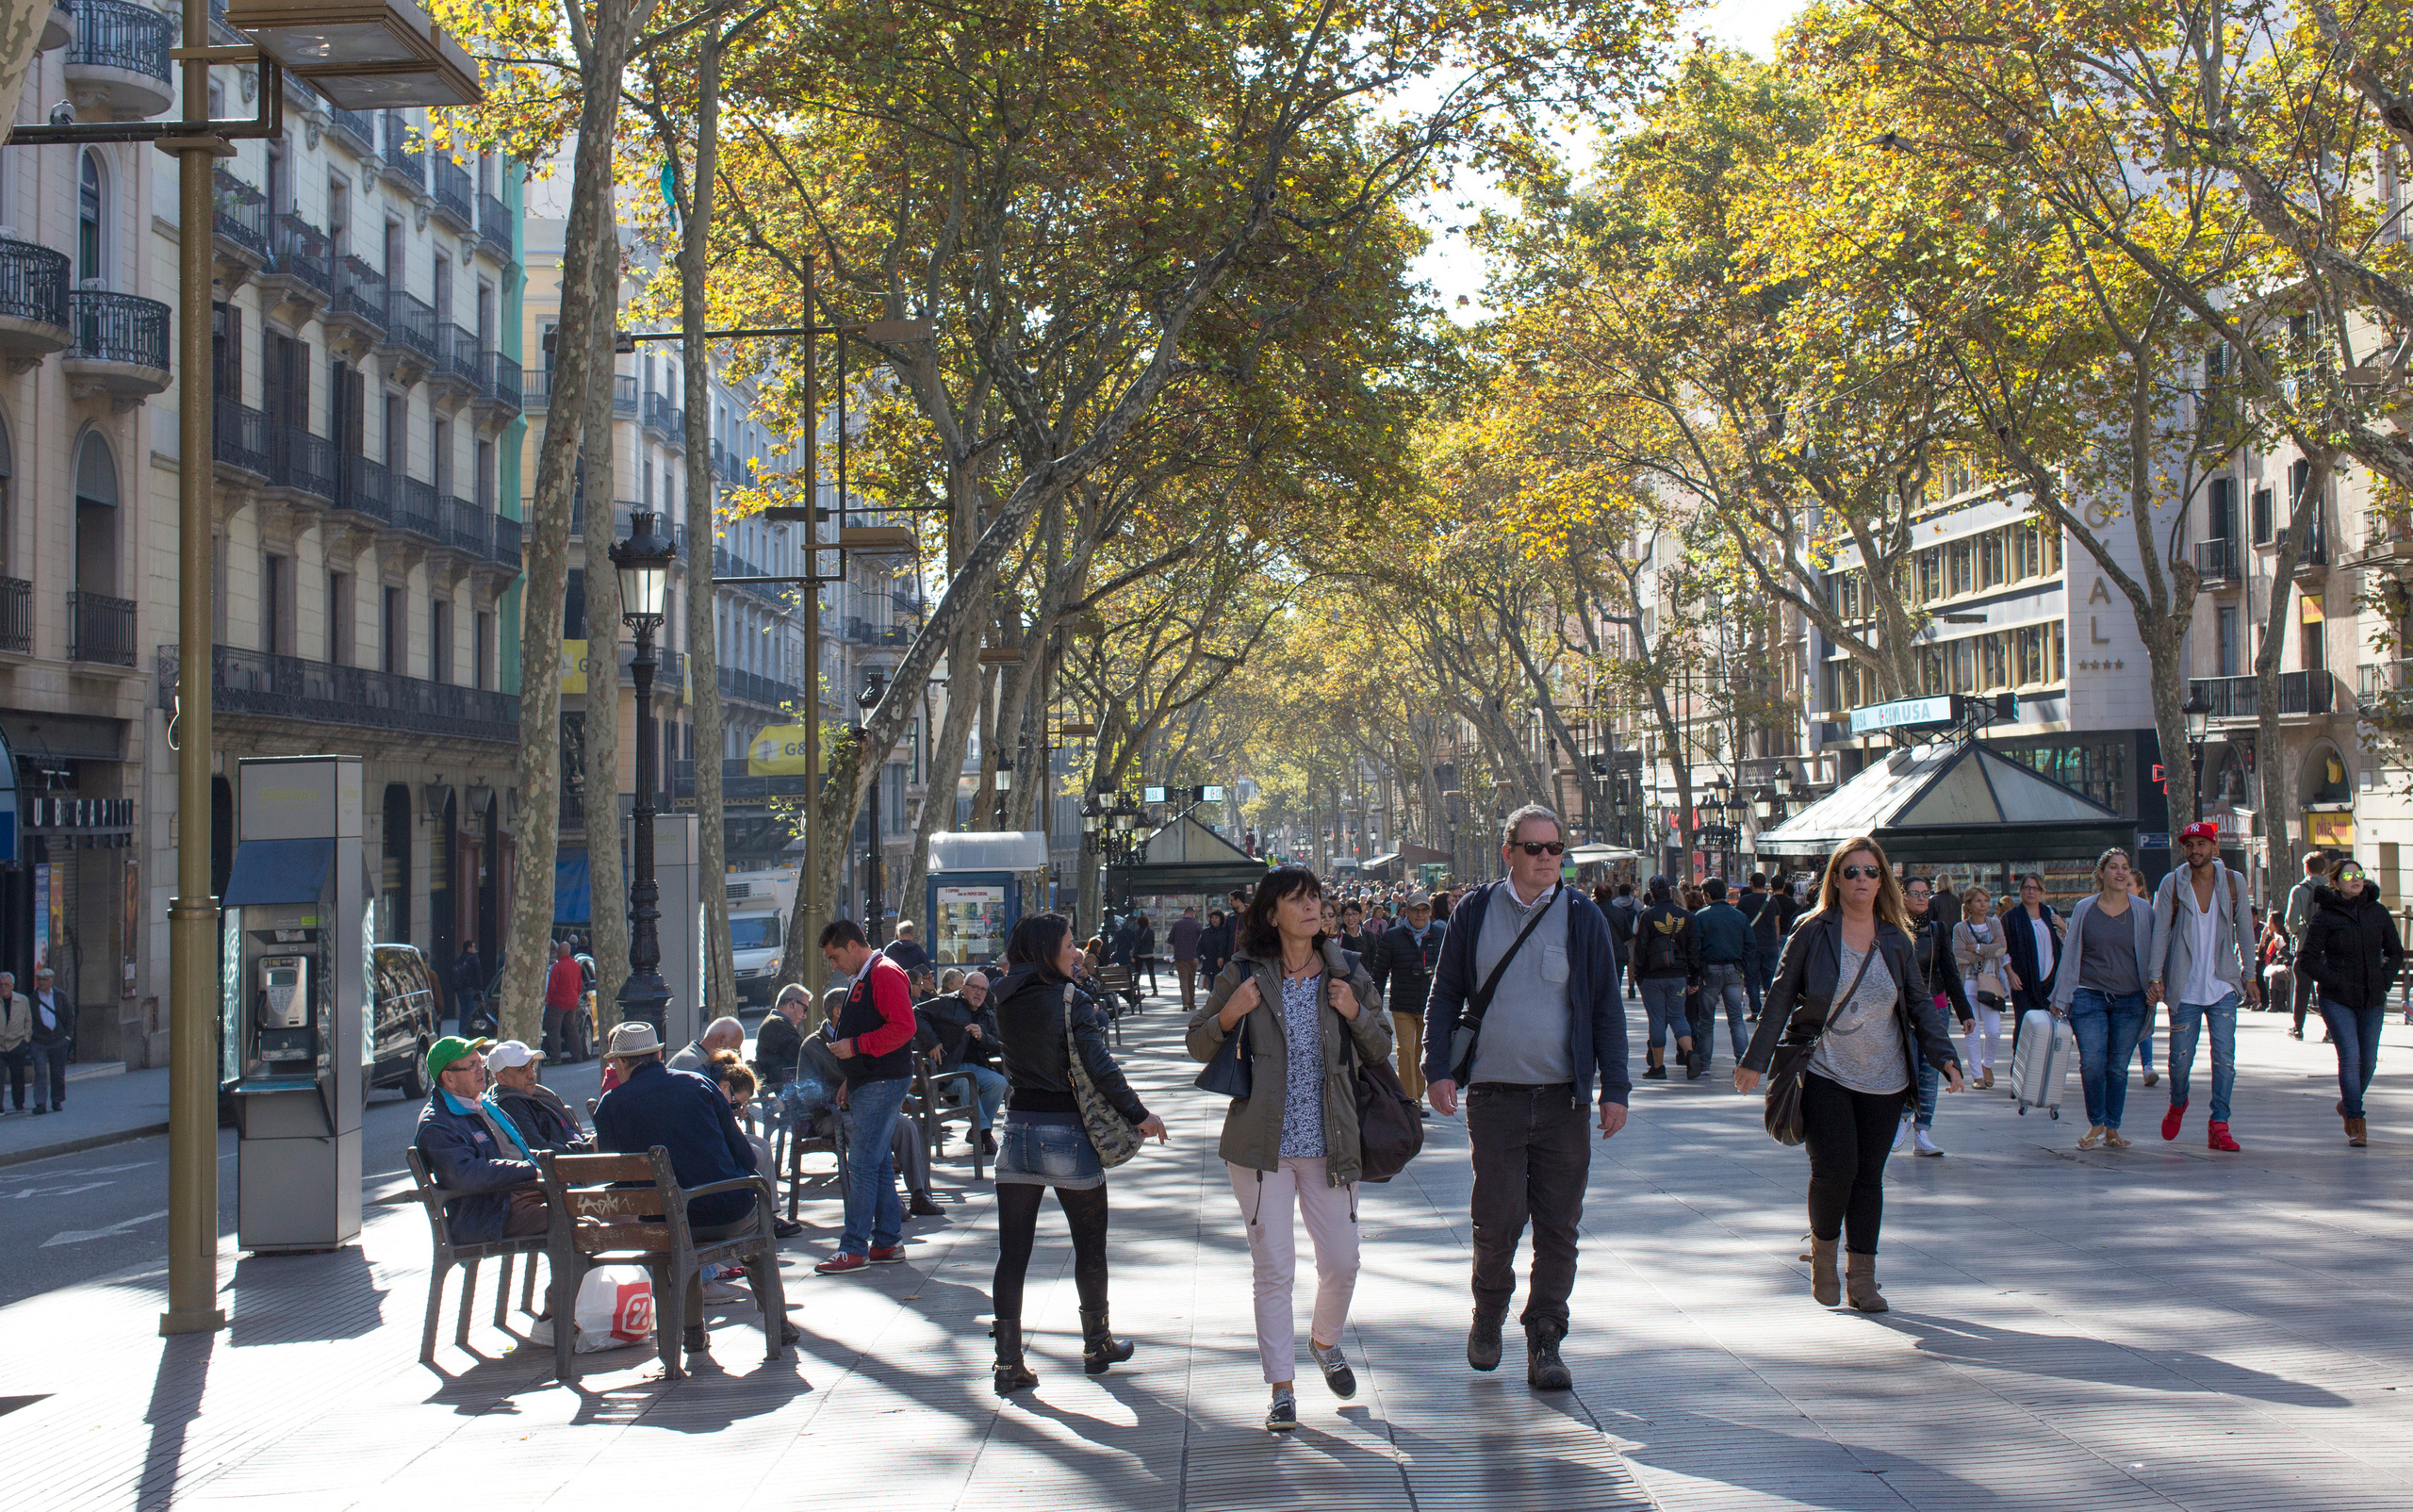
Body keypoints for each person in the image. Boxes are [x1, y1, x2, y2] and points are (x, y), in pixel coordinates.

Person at [1421, 805, 1629, 1393]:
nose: (1545, 858)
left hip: (1565, 1101)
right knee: (1498, 1218)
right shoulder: (1474, 911)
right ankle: (1489, 1312)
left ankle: (1546, 1337)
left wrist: (1615, 1088)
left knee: (1559, 1226)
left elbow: (1606, 1006)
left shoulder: (1583, 916)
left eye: (1555, 848)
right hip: (1494, 1097)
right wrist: (1437, 1068)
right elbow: (1446, 992)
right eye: (1533, 847)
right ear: (1508, 852)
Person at [1189, 866, 1389, 1431]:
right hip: (1261, 1148)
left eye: (1315, 898)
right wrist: (1232, 1012)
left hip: (1332, 1144)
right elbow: (1197, 1042)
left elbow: (1381, 1047)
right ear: (1272, 913)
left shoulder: (1346, 970)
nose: (1310, 908)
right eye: (1297, 900)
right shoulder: (1244, 971)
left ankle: (1324, 1341)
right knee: (1274, 1268)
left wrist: (1355, 1012)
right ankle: (1281, 1387)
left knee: (1343, 1262)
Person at [1736, 837, 1963, 1313]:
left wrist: (1945, 1057)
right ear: (1836, 879)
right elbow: (1780, 996)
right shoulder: (1812, 932)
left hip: (1886, 1077)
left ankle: (1862, 1279)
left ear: (1883, 882)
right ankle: (1823, 1256)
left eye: (1871, 871)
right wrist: (1755, 1060)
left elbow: (1919, 1003)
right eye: (1852, 871)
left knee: (1868, 1178)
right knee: (1834, 1169)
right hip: (1826, 1071)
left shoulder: (1896, 938)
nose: (1862, 879)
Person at [986, 912, 1165, 1393]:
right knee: (1089, 1247)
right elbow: (1100, 1067)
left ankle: (1007, 1362)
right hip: (1066, 1133)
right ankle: (1097, 1344)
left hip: (1017, 1132)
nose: (1075, 952)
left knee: (1012, 1255)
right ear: (1047, 950)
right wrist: (1140, 1114)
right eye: (1068, 944)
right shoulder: (1071, 999)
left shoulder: (1004, 997)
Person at [591, 1020, 798, 1353]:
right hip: (728, 1213)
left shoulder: (610, 1105)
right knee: (757, 1237)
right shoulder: (700, 1084)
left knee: (676, 1235)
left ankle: (692, 1333)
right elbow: (746, 1157)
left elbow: (622, 1180)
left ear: (621, 1062)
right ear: (659, 1055)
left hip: (665, 1225)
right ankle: (778, 1322)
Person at [813, 918, 923, 1275]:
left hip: (882, 1081)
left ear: (851, 946)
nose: (833, 965)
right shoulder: (869, 974)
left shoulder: (884, 972)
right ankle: (887, 1241)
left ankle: (854, 1247)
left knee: (861, 1163)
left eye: (834, 957)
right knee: (875, 1163)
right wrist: (852, 1076)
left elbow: (904, 1027)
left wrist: (856, 1047)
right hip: (872, 1080)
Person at [2143, 823, 2257, 1151]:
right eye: (2189, 844)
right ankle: (2178, 1102)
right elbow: (2160, 932)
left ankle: (2219, 1123)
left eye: (2201, 844)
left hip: (2223, 985)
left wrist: (2250, 975)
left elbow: (2245, 929)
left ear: (2214, 847)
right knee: (2180, 1061)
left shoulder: (2233, 882)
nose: (2195, 850)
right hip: (2185, 987)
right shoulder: (2172, 883)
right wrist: (2155, 977)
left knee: (2224, 1059)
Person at [2052, 848, 2156, 1150]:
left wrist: (2157, 983)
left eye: (2125, 867)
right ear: (2101, 873)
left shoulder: (2143, 910)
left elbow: (2154, 952)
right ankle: (2096, 1121)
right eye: (2114, 867)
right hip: (2089, 996)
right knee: (2092, 1063)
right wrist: (2061, 996)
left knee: (2118, 1067)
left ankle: (2112, 1127)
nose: (2120, 872)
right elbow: (2071, 953)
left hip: (2130, 1000)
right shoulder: (2085, 908)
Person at [2300, 855, 2404, 1147]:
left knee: (2368, 1062)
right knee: (2350, 1057)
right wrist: (2333, 980)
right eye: (2347, 876)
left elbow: (2395, 952)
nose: (2355, 880)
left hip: (2372, 997)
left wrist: (2383, 979)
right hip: (2338, 998)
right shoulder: (2326, 916)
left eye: (2359, 875)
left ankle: (2348, 1102)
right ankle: (2356, 1122)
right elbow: (2307, 959)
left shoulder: (2377, 912)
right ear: (2335, 883)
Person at [412, 1035, 547, 1242]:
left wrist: (548, 1164)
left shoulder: (483, 1104)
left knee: (589, 1206)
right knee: (577, 1220)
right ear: (449, 1078)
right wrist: (528, 1170)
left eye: (480, 1062)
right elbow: (467, 1174)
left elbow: (514, 1152)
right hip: (490, 1213)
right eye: (472, 1065)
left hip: (519, 1193)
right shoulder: (437, 1124)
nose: (480, 1070)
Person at [1368, 891, 1446, 1113]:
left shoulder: (1440, 935)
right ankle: (1409, 1100)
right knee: (1405, 1050)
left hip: (1429, 1004)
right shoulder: (1393, 937)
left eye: (1424, 910)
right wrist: (1373, 1003)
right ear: (1407, 912)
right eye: (1415, 910)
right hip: (1402, 1003)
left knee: (1421, 1051)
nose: (1420, 915)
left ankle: (1417, 1095)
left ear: (1430, 912)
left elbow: (1449, 970)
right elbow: (1380, 971)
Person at [918, 968, 1007, 1158]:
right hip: (948, 1067)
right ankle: (984, 1135)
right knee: (967, 1083)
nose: (979, 993)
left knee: (999, 1083)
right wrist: (932, 1042)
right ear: (964, 987)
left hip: (976, 1067)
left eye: (983, 990)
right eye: (975, 988)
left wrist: (982, 1037)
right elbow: (916, 1012)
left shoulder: (986, 1013)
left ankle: (978, 1132)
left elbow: (997, 1044)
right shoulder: (947, 1003)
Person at [1632, 876, 1700, 1079]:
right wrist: (1693, 978)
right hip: (1678, 975)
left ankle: (1658, 1066)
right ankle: (1690, 1053)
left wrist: (1638, 976)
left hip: (1653, 976)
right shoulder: (1686, 916)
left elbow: (1641, 948)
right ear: (1670, 892)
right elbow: (1693, 949)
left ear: (1652, 893)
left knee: (1656, 1019)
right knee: (1678, 1016)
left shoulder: (1647, 916)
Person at [485, 1040, 590, 1153]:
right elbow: (540, 1149)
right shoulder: (510, 1104)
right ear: (501, 1078)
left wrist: (588, 1142)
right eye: (521, 1069)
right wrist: (587, 1148)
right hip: (572, 1160)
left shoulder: (536, 1093)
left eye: (532, 1065)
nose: (531, 1075)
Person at [1951, 889, 2011, 1091]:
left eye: (1986, 900)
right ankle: (1977, 1076)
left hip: (1990, 983)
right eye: (1978, 901)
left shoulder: (1994, 924)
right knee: (1972, 1031)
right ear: (1969, 904)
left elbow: (2002, 949)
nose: (1983, 904)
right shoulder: (1960, 928)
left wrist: (1975, 949)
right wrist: (1988, 950)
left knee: (1994, 1031)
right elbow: (1959, 955)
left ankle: (1988, 1065)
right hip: (1968, 983)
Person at [1694, 879, 1754, 1072]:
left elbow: (1695, 948)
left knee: (1706, 1020)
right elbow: (1750, 945)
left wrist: (1697, 972)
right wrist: (1743, 967)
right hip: (1734, 969)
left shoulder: (1701, 916)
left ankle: (1704, 1063)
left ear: (1707, 895)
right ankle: (1743, 1061)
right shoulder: (1739, 916)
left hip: (1710, 970)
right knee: (1736, 1018)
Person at [2001, 874, 2062, 1063]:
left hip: (2049, 982)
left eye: (2035, 888)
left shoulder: (2050, 913)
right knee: (2024, 1026)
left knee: (2048, 1028)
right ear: (2020, 890)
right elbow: (2002, 949)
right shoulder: (2011, 917)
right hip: (2023, 982)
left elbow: (2064, 943)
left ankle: (2043, 1070)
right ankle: (2020, 1069)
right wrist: (2010, 973)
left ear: (2042, 892)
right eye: (2027, 887)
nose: (2031, 892)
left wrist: (2063, 926)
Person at [2285, 849, 2328, 1039]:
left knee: (2301, 988)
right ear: (2323, 868)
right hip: (2329, 948)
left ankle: (2298, 1028)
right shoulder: (2333, 889)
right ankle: (2331, 1030)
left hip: (2306, 946)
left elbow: (2291, 922)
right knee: (2328, 990)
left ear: (2306, 867)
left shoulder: (2299, 890)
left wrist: (2299, 933)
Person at [754, 983, 813, 1094]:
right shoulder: (775, 1025)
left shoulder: (775, 1023)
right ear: (793, 1004)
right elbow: (804, 1053)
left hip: (788, 1088)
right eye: (804, 1009)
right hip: (788, 1091)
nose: (804, 1016)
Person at [25, 966, 68, 1114]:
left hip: (58, 1040)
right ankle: (40, 1103)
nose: (41, 983)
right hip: (39, 1041)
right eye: (39, 980)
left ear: (51, 980)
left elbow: (69, 1016)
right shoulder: (32, 998)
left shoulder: (60, 996)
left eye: (44, 980)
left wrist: (67, 1036)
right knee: (40, 1072)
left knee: (58, 1073)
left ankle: (57, 1100)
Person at [542, 941, 583, 1060]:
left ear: (559, 952)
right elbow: (579, 985)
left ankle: (556, 1057)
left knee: (553, 1029)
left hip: (558, 1003)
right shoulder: (576, 965)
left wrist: (548, 1001)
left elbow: (552, 986)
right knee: (572, 1028)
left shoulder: (557, 966)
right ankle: (577, 1055)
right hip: (572, 1002)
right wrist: (575, 997)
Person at [1602, 882, 1641, 997]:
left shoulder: (1614, 904)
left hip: (1617, 938)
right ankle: (1631, 986)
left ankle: (1615, 986)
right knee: (1631, 964)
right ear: (1630, 891)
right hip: (1632, 938)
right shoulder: (1637, 903)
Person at [670, 1016, 745, 1073]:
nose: (735, 1054)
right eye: (734, 1049)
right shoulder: (691, 1063)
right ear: (721, 1041)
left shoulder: (700, 1060)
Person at [0, 972, 26, 1115]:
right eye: (1, 985)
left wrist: (26, 1038)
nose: (3, 987)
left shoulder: (22, 1000)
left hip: (16, 1043)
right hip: (0, 1046)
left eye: (6, 984)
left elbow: (28, 1020)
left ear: (13, 986)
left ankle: (18, 1104)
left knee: (18, 1076)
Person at [1170, 905, 1205, 1013]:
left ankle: (1185, 1002)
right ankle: (1192, 1003)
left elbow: (1170, 939)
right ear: (1193, 914)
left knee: (1183, 980)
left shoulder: (1176, 924)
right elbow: (1202, 940)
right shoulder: (1197, 925)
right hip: (1193, 957)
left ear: (1184, 913)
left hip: (1180, 956)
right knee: (1191, 980)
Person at [451, 941, 484, 1034]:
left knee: (463, 1011)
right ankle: (469, 1031)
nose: (475, 949)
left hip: (460, 989)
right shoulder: (474, 959)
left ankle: (462, 1031)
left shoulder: (458, 958)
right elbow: (478, 975)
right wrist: (479, 988)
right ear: (469, 948)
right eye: (473, 947)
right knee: (471, 1011)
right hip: (471, 989)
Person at [1199, 908, 1234, 981]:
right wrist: (1197, 956)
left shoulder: (1224, 932)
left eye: (1216, 918)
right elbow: (1200, 945)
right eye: (1212, 917)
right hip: (1209, 962)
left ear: (1220, 919)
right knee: (1210, 982)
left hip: (1220, 962)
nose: (1214, 919)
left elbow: (1224, 945)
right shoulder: (1206, 931)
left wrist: (1221, 956)